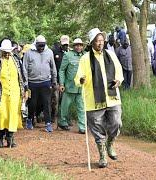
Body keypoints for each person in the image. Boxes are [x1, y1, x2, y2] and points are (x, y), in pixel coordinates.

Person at [74, 28, 124, 168]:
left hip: (112, 97)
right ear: (92, 43)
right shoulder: (85, 59)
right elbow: (78, 78)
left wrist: (118, 81)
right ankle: (102, 155)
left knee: (116, 123)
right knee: (97, 128)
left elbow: (119, 72)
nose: (100, 43)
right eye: (97, 41)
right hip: (93, 100)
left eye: (102, 40)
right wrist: (81, 80)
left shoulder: (111, 55)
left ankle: (110, 144)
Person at [0, 39, 27, 147]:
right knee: (1, 115)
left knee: (12, 115)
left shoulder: (16, 59)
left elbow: (22, 75)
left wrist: (25, 90)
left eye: (8, 51)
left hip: (15, 92)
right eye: (5, 51)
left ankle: (10, 139)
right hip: (1, 92)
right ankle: (0, 138)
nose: (7, 53)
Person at [23, 35, 57, 132]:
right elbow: (24, 68)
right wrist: (25, 83)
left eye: (43, 46)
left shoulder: (49, 52)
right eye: (39, 46)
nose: (41, 48)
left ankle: (48, 123)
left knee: (46, 103)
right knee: (32, 103)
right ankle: (29, 119)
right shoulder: (29, 53)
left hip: (45, 82)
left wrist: (54, 81)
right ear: (36, 44)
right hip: (32, 82)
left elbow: (53, 67)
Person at [58, 38, 86, 133]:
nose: (79, 47)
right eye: (77, 45)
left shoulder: (85, 56)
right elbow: (62, 70)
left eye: (80, 45)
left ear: (83, 46)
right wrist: (62, 83)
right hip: (70, 86)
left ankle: (82, 127)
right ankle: (62, 122)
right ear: (74, 46)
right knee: (65, 107)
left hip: (81, 87)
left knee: (81, 107)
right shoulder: (68, 55)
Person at [51, 35, 69, 122]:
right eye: (64, 44)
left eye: (67, 44)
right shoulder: (54, 52)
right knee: (55, 100)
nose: (65, 46)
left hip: (66, 81)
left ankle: (63, 118)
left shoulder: (69, 53)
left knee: (64, 101)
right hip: (57, 80)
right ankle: (53, 116)